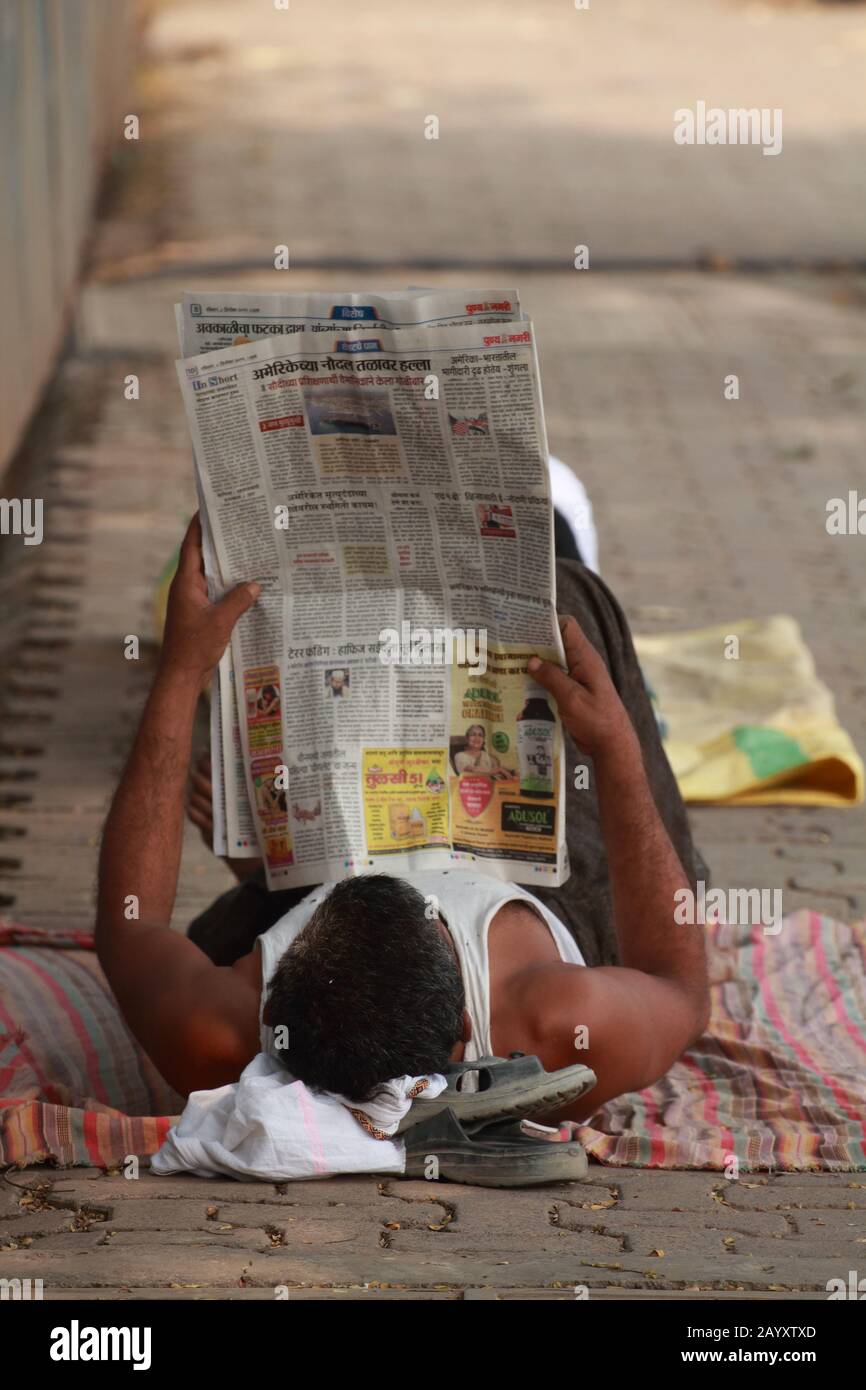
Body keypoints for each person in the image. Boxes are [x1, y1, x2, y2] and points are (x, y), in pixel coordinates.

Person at [96, 513, 709, 1123]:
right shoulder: (562, 1023)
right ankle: (271, 879)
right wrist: (614, 751)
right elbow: (680, 983)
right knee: (566, 592)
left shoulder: (217, 1036)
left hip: (325, 877)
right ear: (469, 1024)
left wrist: (180, 671)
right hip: (545, 892)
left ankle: (273, 879)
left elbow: (129, 924)